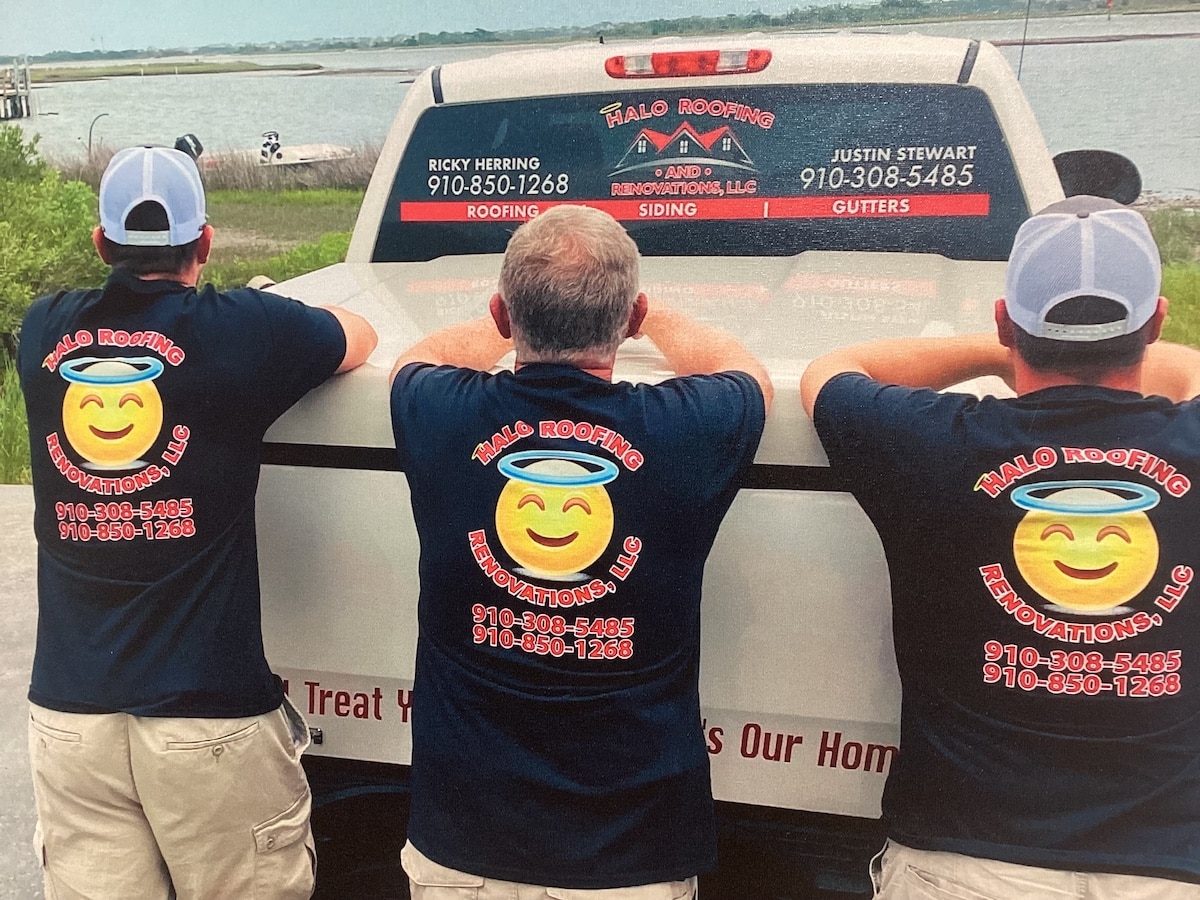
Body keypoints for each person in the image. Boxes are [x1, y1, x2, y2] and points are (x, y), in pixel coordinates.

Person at [800, 195, 1200, 898]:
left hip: (962, 862)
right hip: (1166, 862)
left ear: (1005, 320)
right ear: (1158, 322)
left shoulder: (935, 443)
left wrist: (997, 350)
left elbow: (832, 371)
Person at [16, 145, 377, 900]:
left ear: (100, 243)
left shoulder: (45, 329)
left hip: (70, 716)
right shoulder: (245, 329)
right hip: (208, 717)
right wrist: (273, 307)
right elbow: (358, 336)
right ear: (205, 243)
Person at [389, 204, 772, 898]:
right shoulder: (685, 428)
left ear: (504, 317)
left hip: (462, 838)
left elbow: (417, 358)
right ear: (631, 317)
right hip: (631, 854)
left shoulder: (438, 411)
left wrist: (520, 313)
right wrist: (641, 313)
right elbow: (744, 372)